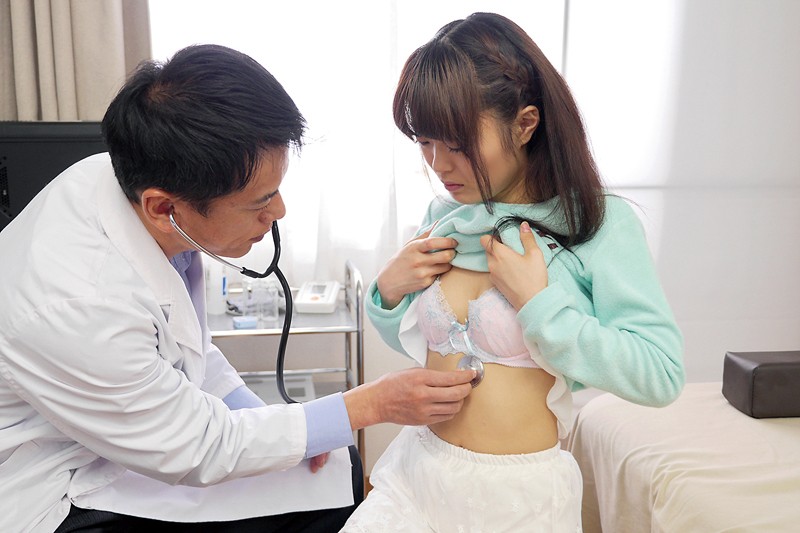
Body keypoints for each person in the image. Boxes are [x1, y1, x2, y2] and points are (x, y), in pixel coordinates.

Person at [0, 44, 478, 533]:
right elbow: (198, 447)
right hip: (55, 488)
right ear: (165, 209)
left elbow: (191, 352)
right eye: (259, 202)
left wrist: (295, 430)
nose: (279, 212)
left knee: (334, 470)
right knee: (319, 497)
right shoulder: (79, 306)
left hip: (123, 434)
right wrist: (370, 404)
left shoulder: (136, 183)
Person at [342, 12, 685, 533]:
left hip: (518, 501)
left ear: (525, 124)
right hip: (416, 475)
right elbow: (420, 343)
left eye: (457, 144)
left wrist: (542, 308)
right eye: (425, 142)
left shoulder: (597, 224)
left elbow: (660, 375)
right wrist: (387, 293)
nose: (439, 164)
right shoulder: (445, 216)